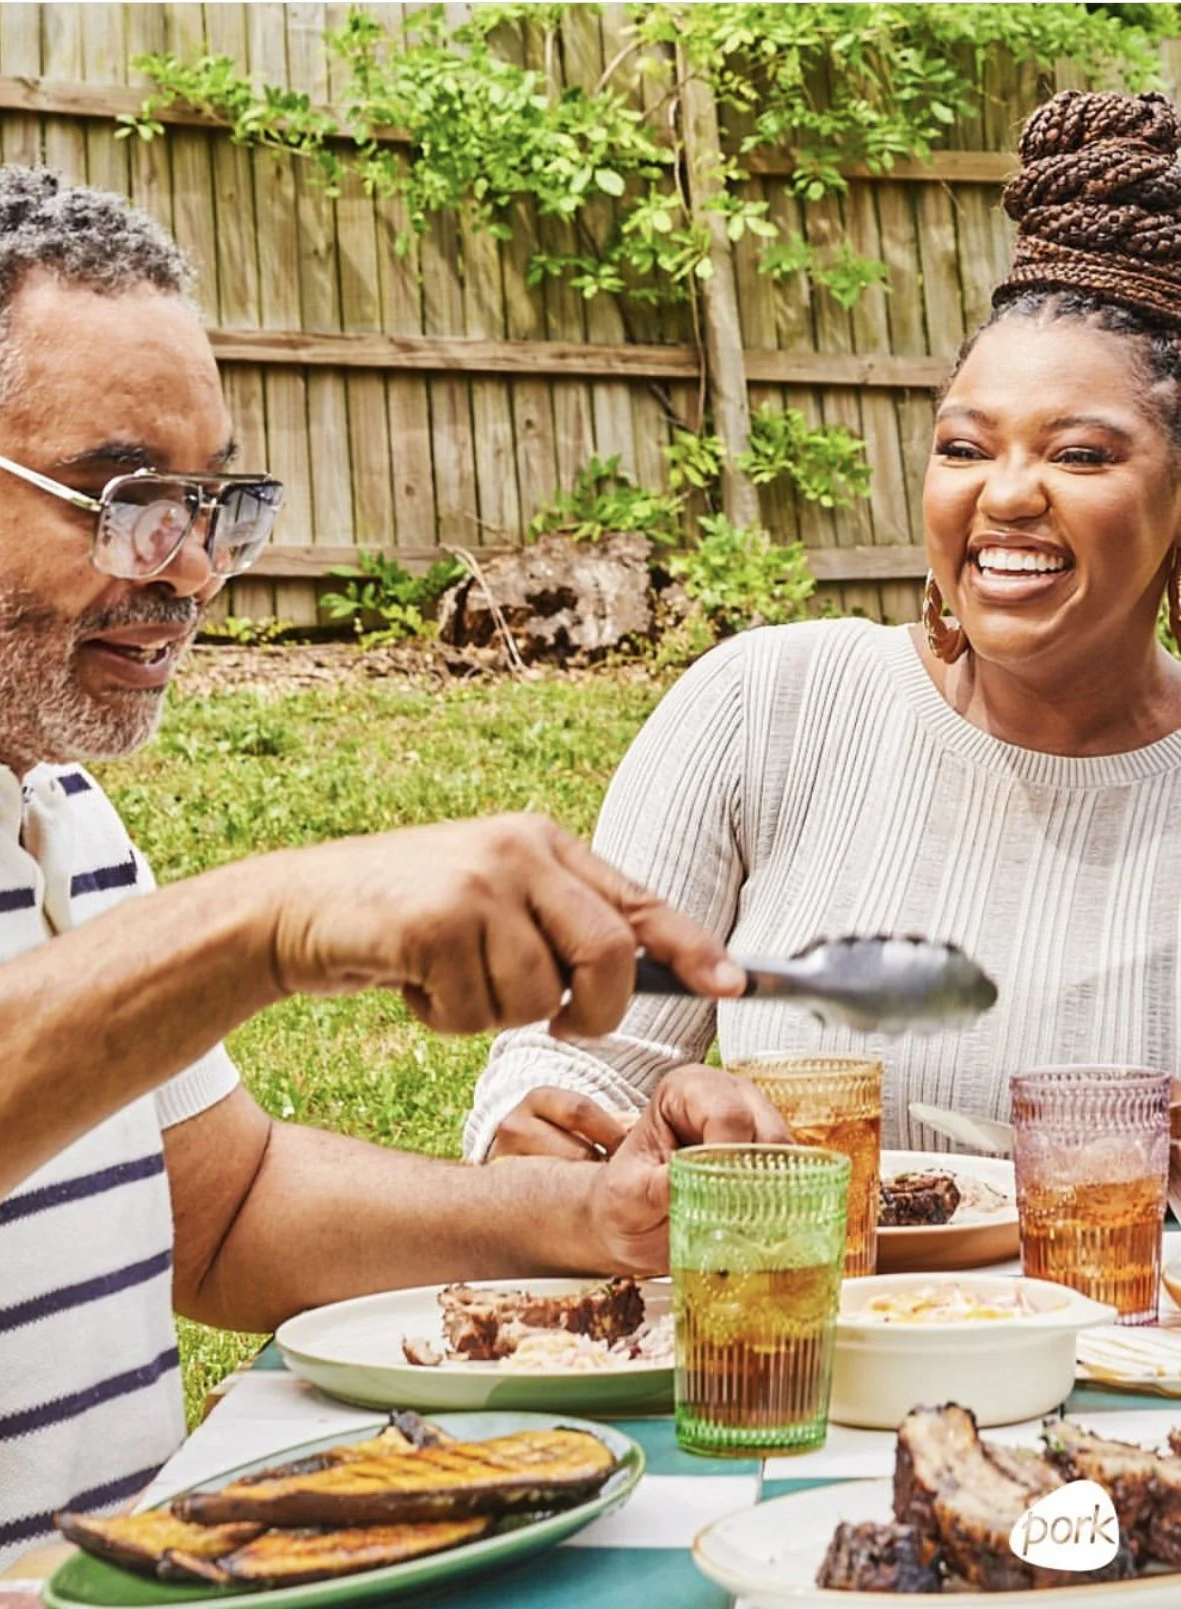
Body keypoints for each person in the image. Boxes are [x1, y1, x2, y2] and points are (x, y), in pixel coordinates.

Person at [0, 165, 790, 1609]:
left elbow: (223, 1208)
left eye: (209, 503)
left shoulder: (48, 794)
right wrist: (255, 924)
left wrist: (589, 1221)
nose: (188, 573)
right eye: (123, 497)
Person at [467, 87, 1181, 1164]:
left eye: (1080, 454)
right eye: (964, 447)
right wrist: (590, 1136)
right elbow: (570, 1060)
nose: (1006, 494)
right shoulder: (770, 708)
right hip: (782, 1327)